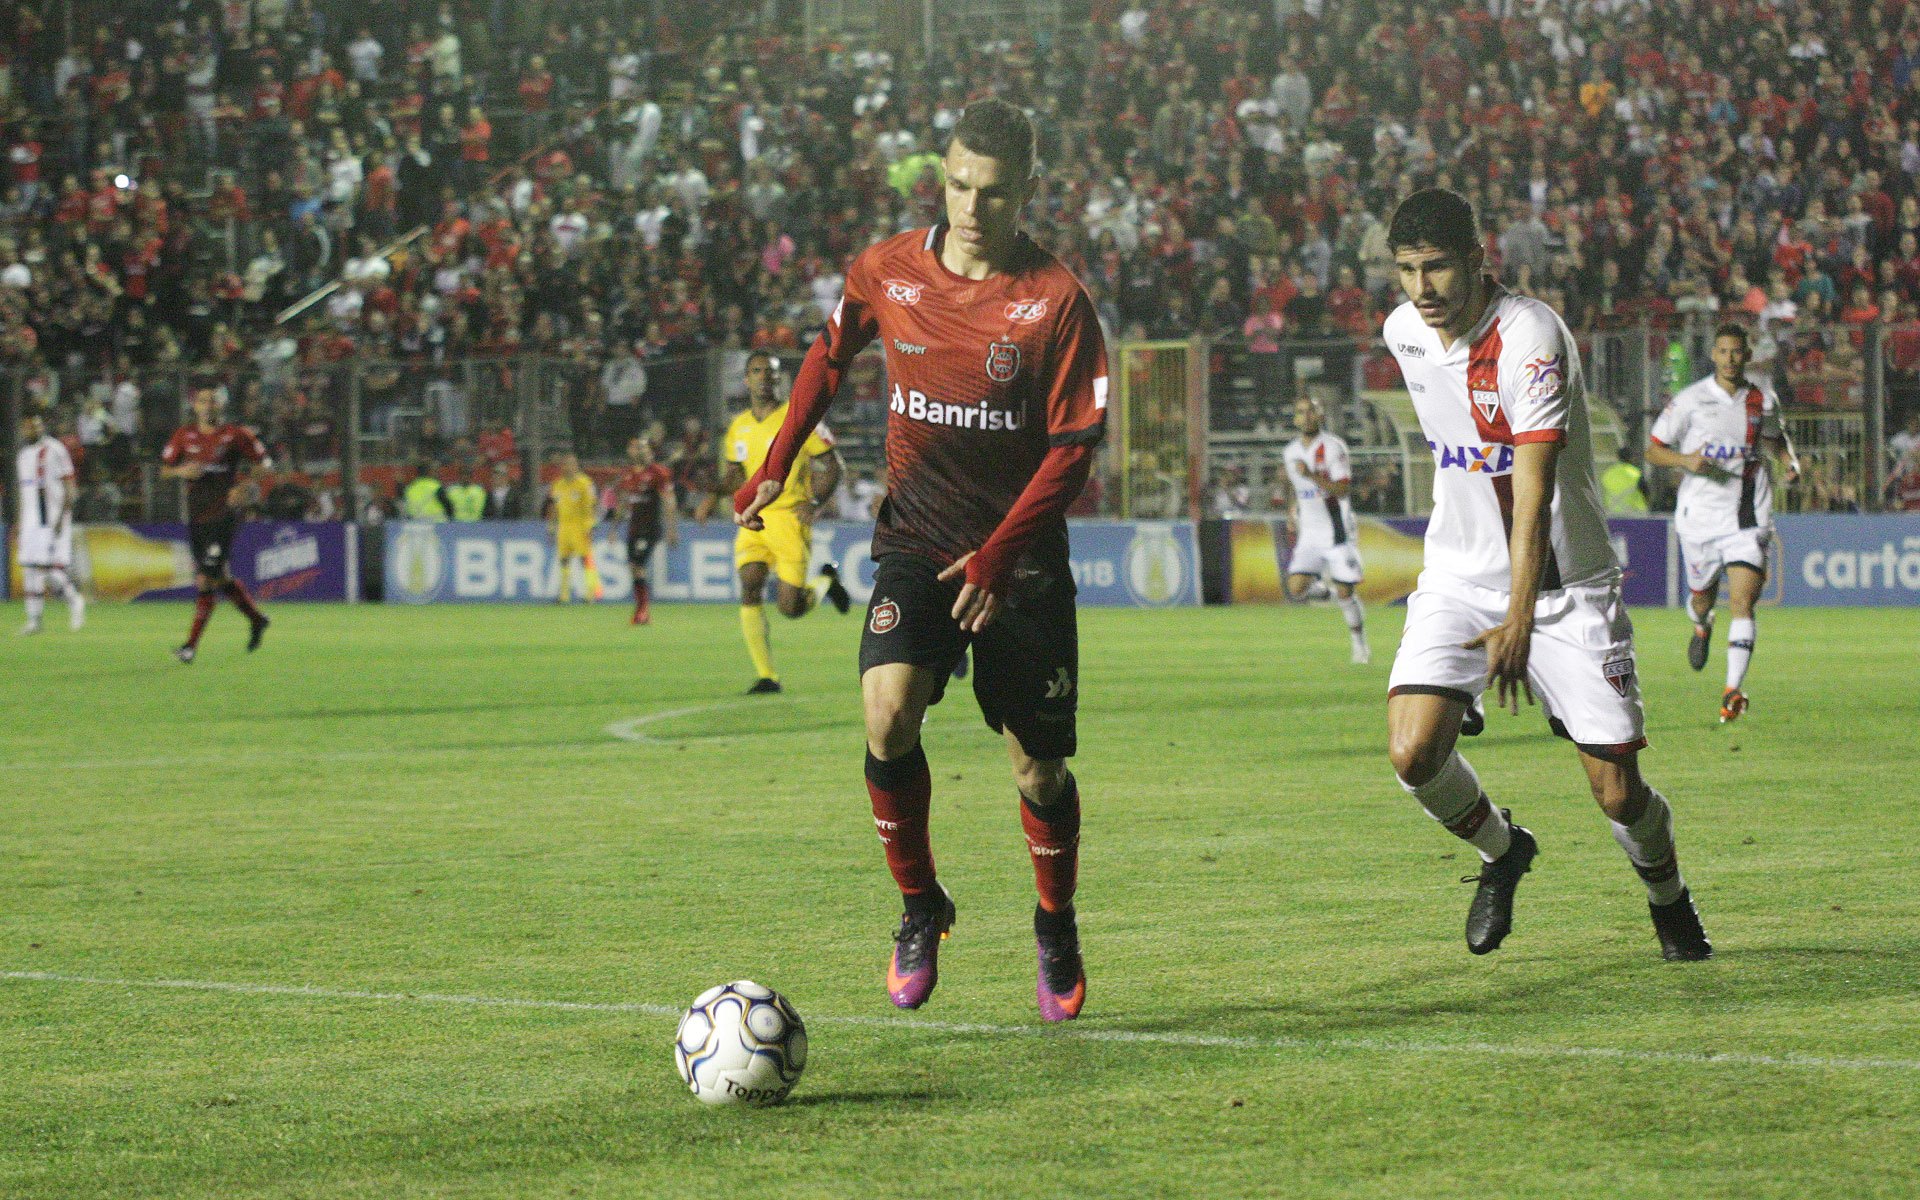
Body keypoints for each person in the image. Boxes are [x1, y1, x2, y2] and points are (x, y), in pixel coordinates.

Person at [734, 99, 1109, 1020]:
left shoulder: (1056, 302)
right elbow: (829, 355)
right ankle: (919, 905)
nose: (973, 207)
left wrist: (998, 558)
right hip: (917, 538)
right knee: (887, 714)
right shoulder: (887, 270)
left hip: (1017, 561)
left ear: (1027, 191)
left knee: (1038, 772)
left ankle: (1054, 922)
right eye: (959, 185)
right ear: (943, 178)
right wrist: (780, 456)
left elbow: (1073, 450)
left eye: (994, 192)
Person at [1380, 188, 1710, 963]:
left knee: (1618, 794)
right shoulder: (1404, 332)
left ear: (1477, 259)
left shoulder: (1529, 336)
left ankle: (1669, 898)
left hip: (1565, 590)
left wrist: (1520, 616)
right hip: (1458, 579)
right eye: (1407, 271)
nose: (1423, 289)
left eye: (1437, 268)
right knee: (1412, 754)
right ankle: (1504, 850)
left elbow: (1531, 492)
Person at [1647, 323, 1799, 722]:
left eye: (1737, 351)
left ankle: (1732, 691)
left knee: (1743, 601)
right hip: (1699, 519)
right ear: (1714, 355)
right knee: (1702, 598)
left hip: (1748, 516)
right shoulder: (1690, 400)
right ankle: (1701, 623)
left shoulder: (1762, 400)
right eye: (1723, 351)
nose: (1730, 359)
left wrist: (1789, 462)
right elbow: (1654, 450)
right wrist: (1685, 460)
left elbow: (1776, 439)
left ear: (1747, 355)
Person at [720, 348, 850, 692]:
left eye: (771, 371)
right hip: (754, 517)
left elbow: (833, 465)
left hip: (789, 518)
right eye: (757, 371)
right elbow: (735, 473)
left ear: (780, 379)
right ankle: (767, 675)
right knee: (749, 584)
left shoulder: (799, 419)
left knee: (790, 608)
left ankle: (825, 582)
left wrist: (815, 501)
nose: (764, 377)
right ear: (746, 380)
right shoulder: (738, 427)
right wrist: (713, 495)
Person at [160, 380, 271, 663]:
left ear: (222, 405)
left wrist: (245, 486)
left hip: (225, 514)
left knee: (205, 579)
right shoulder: (183, 435)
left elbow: (264, 463)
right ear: (194, 406)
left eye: (213, 400)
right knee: (220, 577)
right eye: (203, 401)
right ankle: (257, 619)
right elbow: (164, 470)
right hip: (197, 516)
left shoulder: (235, 434)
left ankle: (190, 647)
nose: (208, 405)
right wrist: (182, 471)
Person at [1280, 396, 1368, 664]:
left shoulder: (1333, 447)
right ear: (1295, 418)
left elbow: (1343, 489)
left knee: (1346, 592)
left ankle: (1359, 646)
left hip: (1336, 529)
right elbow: (1295, 487)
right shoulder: (1290, 452)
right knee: (1296, 588)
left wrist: (1311, 476)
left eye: (1311, 411)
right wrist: (1292, 509)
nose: (1306, 416)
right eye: (1301, 412)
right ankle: (1323, 591)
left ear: (1320, 416)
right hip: (1309, 532)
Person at [14, 412, 85, 633]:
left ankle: (74, 600)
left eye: (37, 425)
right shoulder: (23, 455)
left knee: (48, 569)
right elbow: (24, 492)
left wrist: (62, 518)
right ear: (23, 429)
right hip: (30, 522)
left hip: (51, 519)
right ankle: (34, 621)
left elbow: (70, 486)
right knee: (30, 569)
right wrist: (19, 523)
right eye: (29, 426)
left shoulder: (55, 449)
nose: (33, 429)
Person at [615, 434, 678, 625]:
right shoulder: (628, 474)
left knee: (638, 565)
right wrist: (613, 527)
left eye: (644, 448)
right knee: (633, 567)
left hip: (650, 527)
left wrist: (671, 529)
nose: (641, 451)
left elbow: (669, 501)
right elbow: (623, 503)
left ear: (651, 452)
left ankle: (642, 610)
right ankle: (642, 610)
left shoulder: (659, 473)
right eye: (638, 448)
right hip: (633, 528)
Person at [544, 452, 602, 603]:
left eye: (571, 464)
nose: (568, 467)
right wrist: (551, 527)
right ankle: (564, 595)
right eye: (565, 464)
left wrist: (591, 526)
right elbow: (553, 506)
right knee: (564, 559)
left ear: (576, 466)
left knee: (585, 559)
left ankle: (591, 593)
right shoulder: (558, 484)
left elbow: (592, 505)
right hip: (564, 527)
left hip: (581, 526)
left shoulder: (585, 483)